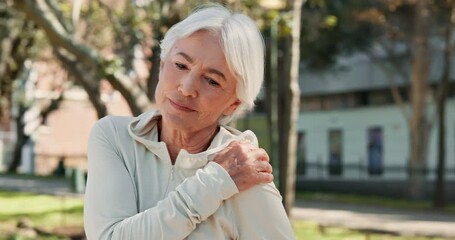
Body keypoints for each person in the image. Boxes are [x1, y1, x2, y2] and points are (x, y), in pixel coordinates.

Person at [84, 4, 295, 240]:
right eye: (181, 65)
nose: (186, 88)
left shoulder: (245, 171)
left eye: (212, 81)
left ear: (233, 104)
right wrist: (215, 182)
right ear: (163, 64)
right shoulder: (114, 137)